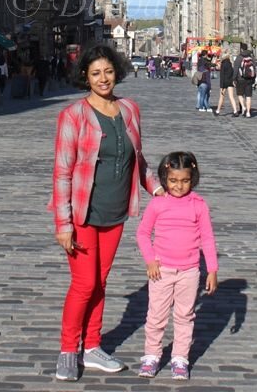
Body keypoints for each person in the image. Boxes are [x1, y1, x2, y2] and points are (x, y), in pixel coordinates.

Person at [51, 44, 162, 382]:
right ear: (85, 76)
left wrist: (157, 188)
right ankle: (69, 350)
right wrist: (63, 223)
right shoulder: (73, 115)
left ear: (117, 72)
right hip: (84, 213)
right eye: (96, 73)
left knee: (100, 281)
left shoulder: (129, 110)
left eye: (108, 71)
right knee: (83, 284)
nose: (103, 78)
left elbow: (137, 159)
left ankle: (93, 345)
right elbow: (62, 171)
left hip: (115, 212)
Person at [136, 151, 218, 381]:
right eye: (173, 181)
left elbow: (208, 238)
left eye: (184, 181)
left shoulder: (199, 205)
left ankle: (180, 358)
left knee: (185, 315)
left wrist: (212, 269)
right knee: (156, 316)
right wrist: (150, 260)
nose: (179, 186)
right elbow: (143, 233)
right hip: (161, 270)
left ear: (193, 178)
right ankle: (152, 355)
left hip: (190, 272)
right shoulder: (157, 204)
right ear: (164, 178)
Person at [233, 44, 255, 118]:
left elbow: (235, 69)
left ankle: (243, 106)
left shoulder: (239, 57)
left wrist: (234, 79)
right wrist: (253, 78)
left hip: (240, 79)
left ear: (241, 49)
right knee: (248, 96)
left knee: (239, 94)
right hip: (249, 79)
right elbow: (255, 69)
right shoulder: (251, 57)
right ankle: (248, 112)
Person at [214, 51, 239, 117]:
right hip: (230, 82)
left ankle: (217, 111)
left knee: (221, 97)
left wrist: (221, 87)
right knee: (231, 97)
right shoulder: (230, 64)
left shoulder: (223, 64)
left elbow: (222, 76)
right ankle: (235, 111)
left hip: (224, 82)